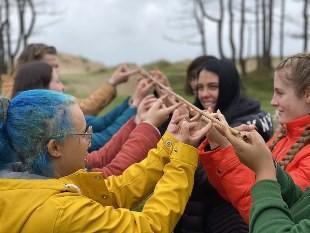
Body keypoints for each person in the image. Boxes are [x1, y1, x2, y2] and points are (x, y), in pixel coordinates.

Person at [0, 89, 212, 233]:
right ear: (55, 147)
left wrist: (170, 144)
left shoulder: (22, 185)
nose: (89, 141)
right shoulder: (61, 211)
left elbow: (111, 192)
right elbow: (148, 227)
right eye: (84, 133)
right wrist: (183, 157)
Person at [199, 53, 310, 227]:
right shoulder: (283, 135)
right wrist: (219, 147)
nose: (272, 101)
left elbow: (263, 216)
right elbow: (232, 193)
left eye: (280, 93)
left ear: (307, 94)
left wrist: (226, 149)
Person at [175, 56, 273, 233]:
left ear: (228, 85)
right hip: (195, 213)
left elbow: (205, 180)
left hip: (230, 214)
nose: (204, 94)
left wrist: (181, 157)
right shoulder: (196, 116)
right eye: (199, 87)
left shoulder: (247, 122)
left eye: (212, 86)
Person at [11, 61, 152, 151]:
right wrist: (134, 107)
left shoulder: (53, 116)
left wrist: (133, 101)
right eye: (58, 82)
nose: (63, 87)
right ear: (41, 90)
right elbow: (103, 139)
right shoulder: (50, 127)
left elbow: (101, 123)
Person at [3, 43, 139, 115]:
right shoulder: (15, 101)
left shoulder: (35, 95)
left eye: (57, 66)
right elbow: (83, 109)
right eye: (51, 66)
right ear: (33, 68)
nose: (56, 71)